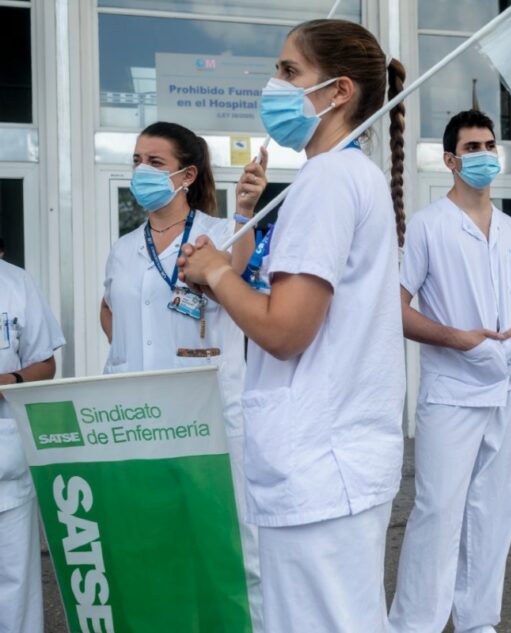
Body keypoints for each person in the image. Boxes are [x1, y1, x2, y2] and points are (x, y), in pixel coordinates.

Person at [178, 19, 407, 633]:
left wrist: (215, 273)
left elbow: (285, 330)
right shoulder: (350, 176)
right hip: (337, 459)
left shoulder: (327, 181)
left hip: (320, 462)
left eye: (288, 72)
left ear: (338, 93)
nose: (272, 85)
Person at [99, 121, 265, 630]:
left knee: (230, 543)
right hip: (141, 417)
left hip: (207, 415)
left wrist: (245, 212)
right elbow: (109, 312)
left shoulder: (219, 232)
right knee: (154, 539)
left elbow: (238, 271)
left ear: (187, 174)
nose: (140, 171)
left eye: (155, 162)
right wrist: (137, 354)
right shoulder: (125, 247)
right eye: (135, 161)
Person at [389, 110, 511, 633]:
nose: (484, 156)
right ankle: (415, 625)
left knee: (494, 511)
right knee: (438, 513)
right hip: (452, 392)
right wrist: (459, 339)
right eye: (472, 148)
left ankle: (479, 620)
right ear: (452, 160)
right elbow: (396, 309)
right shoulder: (430, 226)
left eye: (489, 145)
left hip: (507, 387)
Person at [0, 258, 65, 633]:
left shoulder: (16, 282)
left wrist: (10, 378)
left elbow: (45, 363)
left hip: (7, 464)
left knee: (16, 593)